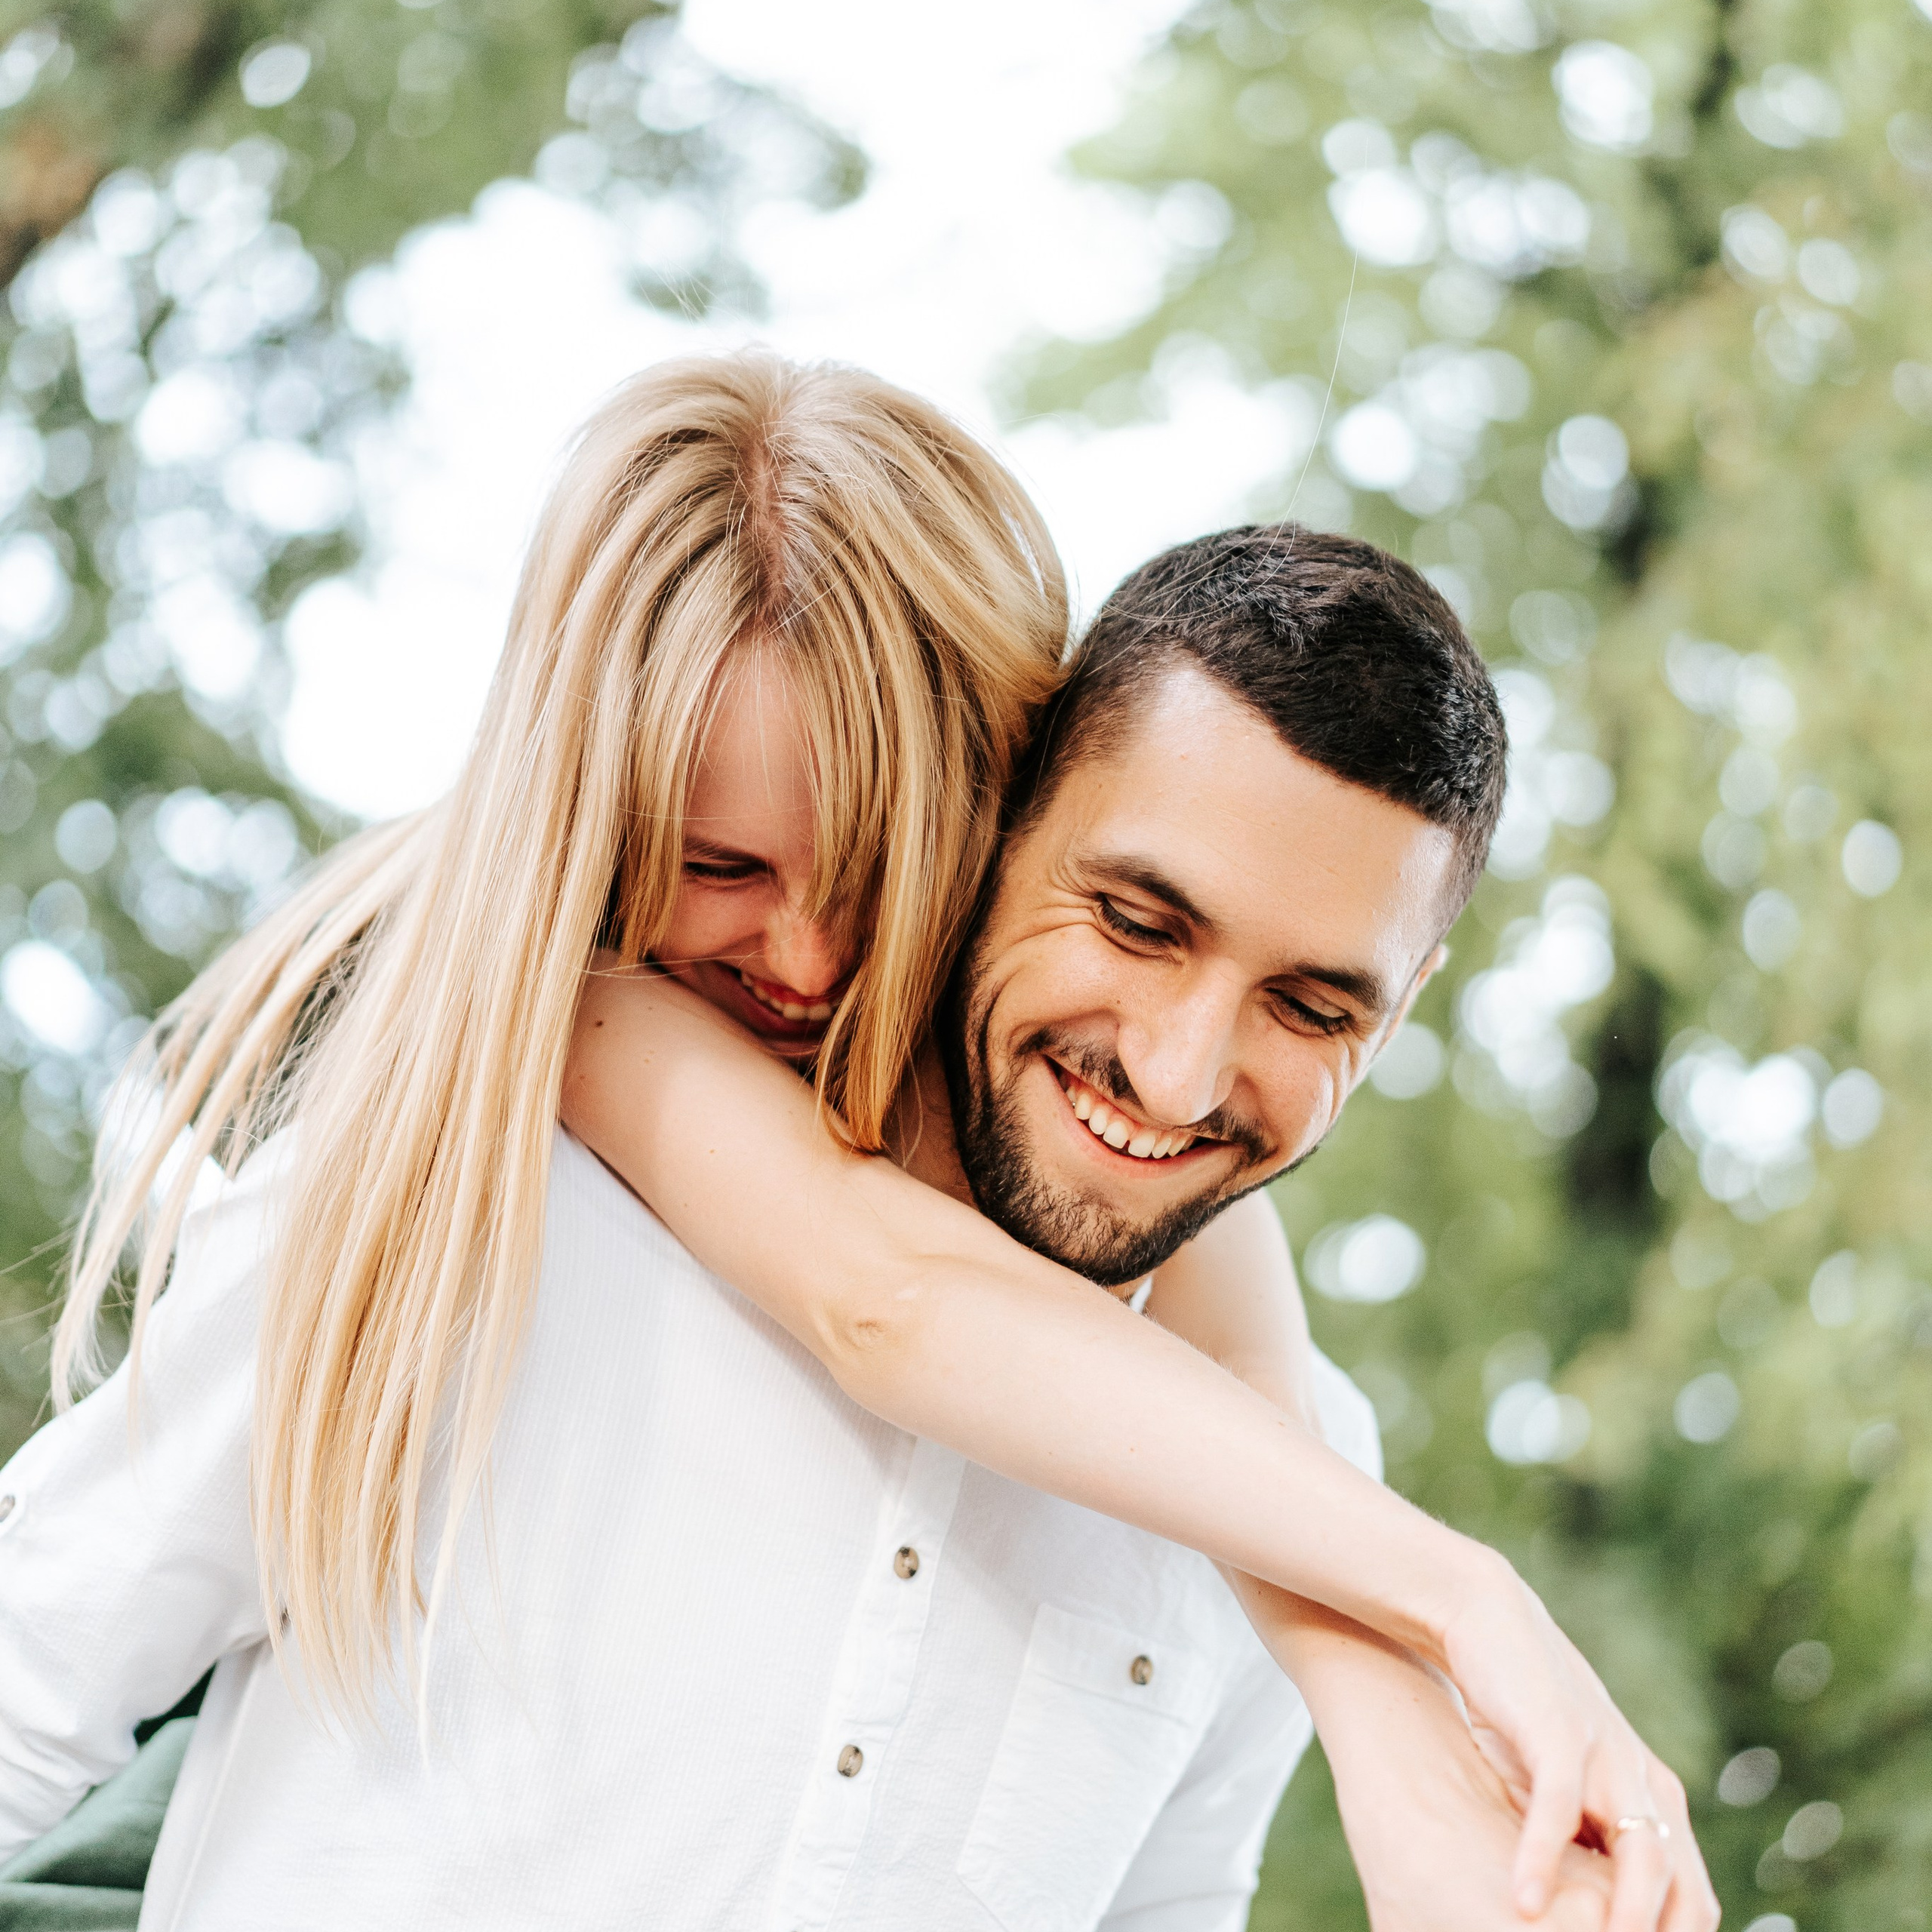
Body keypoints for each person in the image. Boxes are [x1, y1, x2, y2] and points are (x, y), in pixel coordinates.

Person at [0, 354, 1709, 1929]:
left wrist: (1374, 1667)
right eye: (716, 863)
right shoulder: (490, 1134)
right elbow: (34, 1674)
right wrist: (1451, 1604)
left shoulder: (1286, 1473)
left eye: (884, 854)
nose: (807, 960)